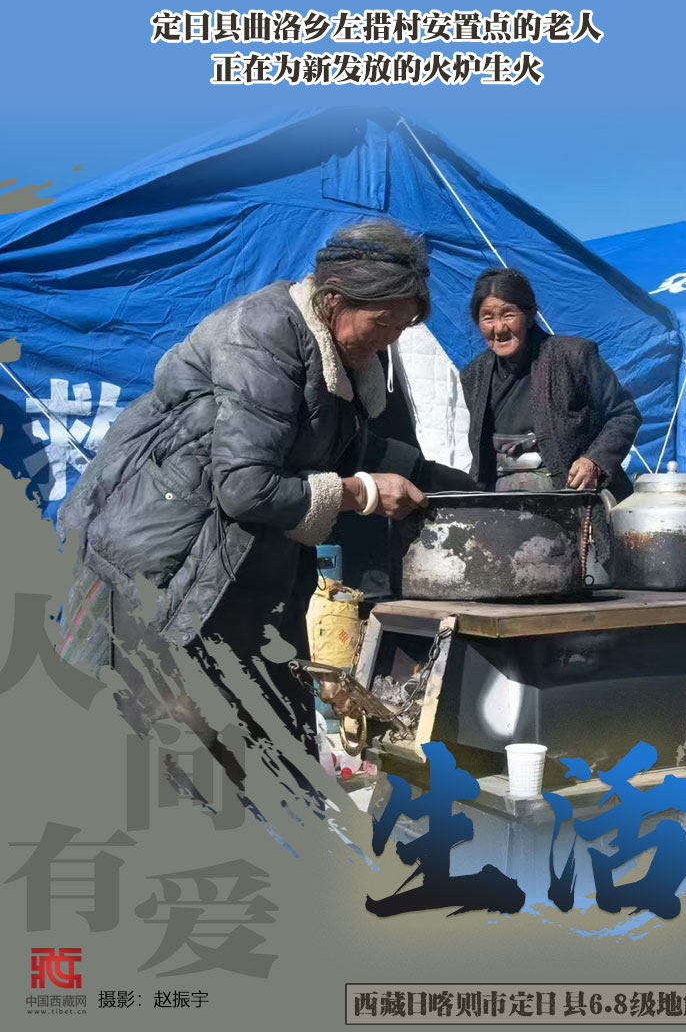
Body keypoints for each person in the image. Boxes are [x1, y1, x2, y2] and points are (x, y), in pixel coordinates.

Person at [58, 219, 472, 763]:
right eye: (383, 322)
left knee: (270, 747)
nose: (390, 338)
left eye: (402, 326)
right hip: (168, 567)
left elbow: (335, 442)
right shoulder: (263, 333)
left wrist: (447, 483)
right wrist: (363, 493)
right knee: (174, 751)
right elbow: (245, 487)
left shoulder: (344, 358)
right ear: (335, 298)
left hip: (246, 567)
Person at [460, 267, 641, 499]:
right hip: (503, 500)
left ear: (529, 315)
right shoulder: (474, 376)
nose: (499, 328)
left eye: (508, 315)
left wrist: (594, 461)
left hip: (573, 495)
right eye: (488, 318)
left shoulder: (573, 356)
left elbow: (624, 414)